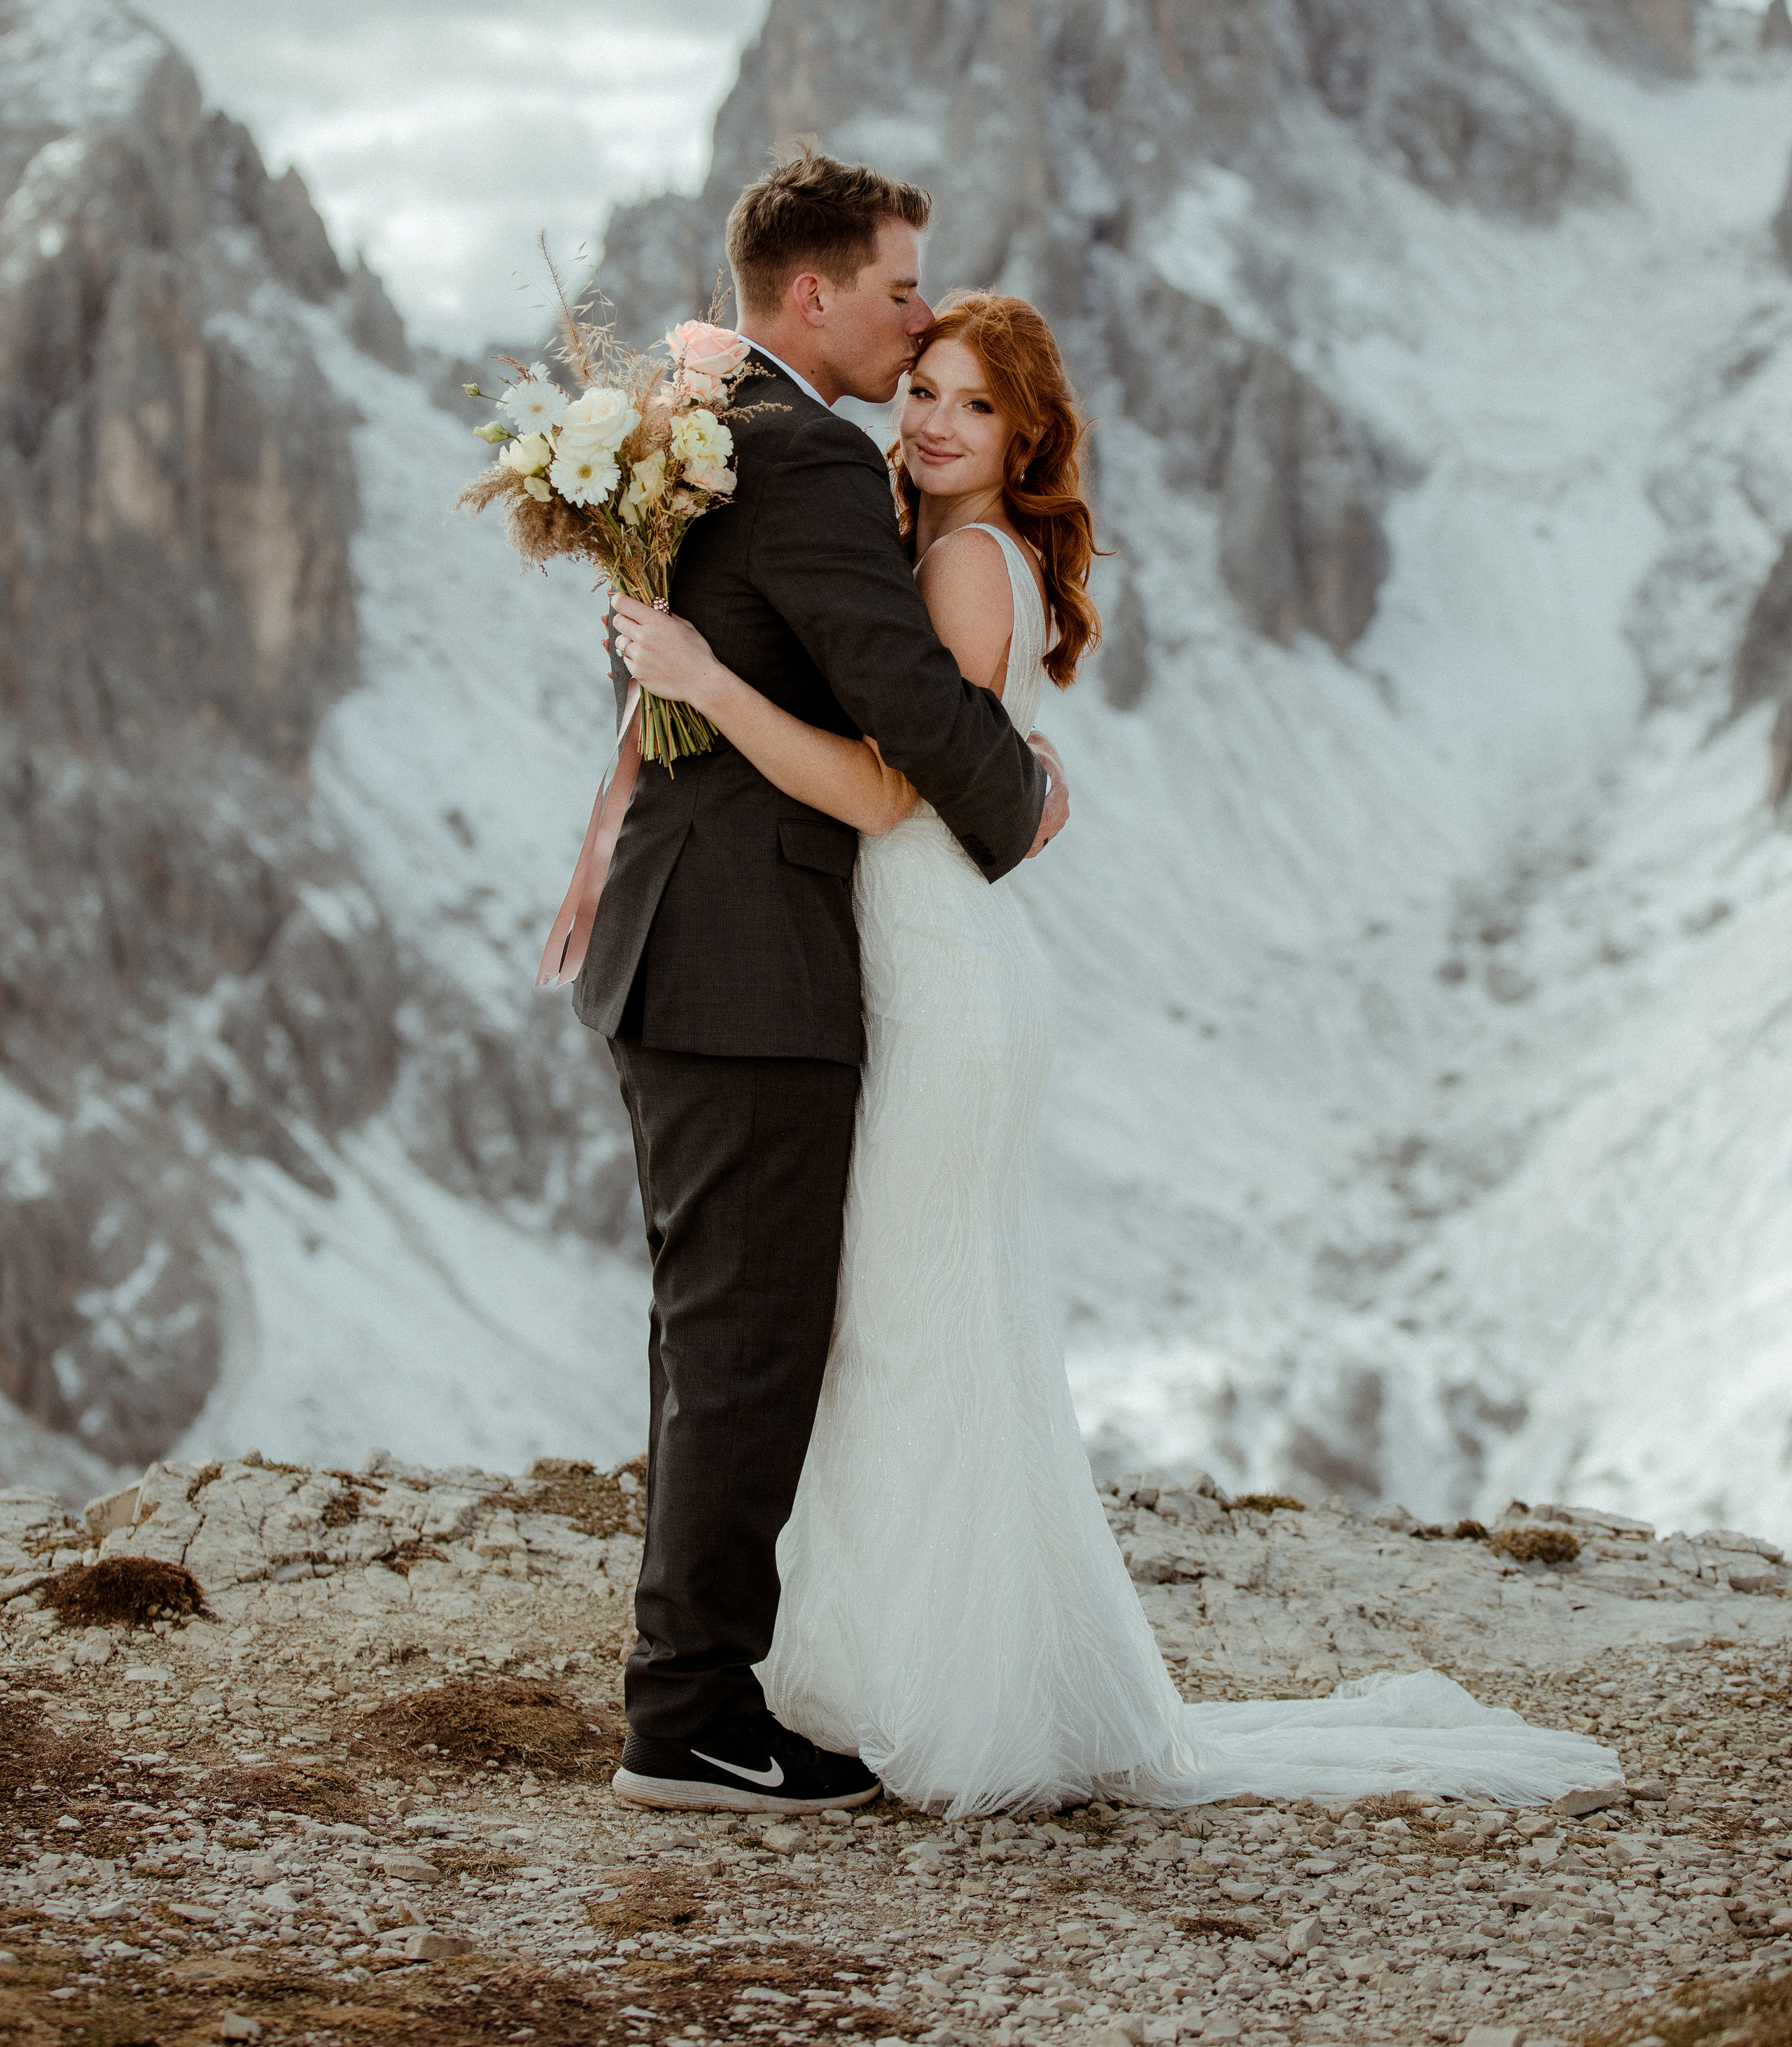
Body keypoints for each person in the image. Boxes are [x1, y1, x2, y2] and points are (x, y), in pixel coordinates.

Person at [610, 288, 1625, 1817]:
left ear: (1025, 440)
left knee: (905, 1333)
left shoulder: (957, 561)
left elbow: (889, 793)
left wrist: (701, 680)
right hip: (919, 968)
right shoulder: (934, 548)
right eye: (926, 391)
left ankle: (929, 1693)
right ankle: (887, 1673)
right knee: (915, 1330)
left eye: (973, 405)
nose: (934, 421)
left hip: (935, 977)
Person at [577, 148, 1065, 1816]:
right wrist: (1030, 800)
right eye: (900, 290)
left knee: (719, 1332)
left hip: (701, 944)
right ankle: (691, 1716)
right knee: (747, 1344)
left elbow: (679, 630)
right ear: (812, 296)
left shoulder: (710, 427)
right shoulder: (796, 457)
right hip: (746, 958)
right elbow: (906, 710)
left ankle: (699, 1686)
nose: (917, 313)